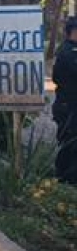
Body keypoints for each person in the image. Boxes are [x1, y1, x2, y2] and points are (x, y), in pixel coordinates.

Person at [51, 16, 77, 184]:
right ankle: (65, 179)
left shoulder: (66, 49)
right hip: (69, 107)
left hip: (67, 105)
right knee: (70, 143)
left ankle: (67, 178)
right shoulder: (69, 52)